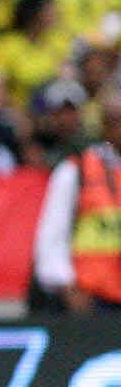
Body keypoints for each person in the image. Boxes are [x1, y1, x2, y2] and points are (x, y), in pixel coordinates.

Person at [32, 91, 121, 313]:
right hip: (93, 297)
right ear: (104, 126)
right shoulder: (76, 170)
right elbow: (52, 234)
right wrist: (67, 286)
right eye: (115, 121)